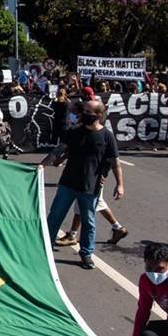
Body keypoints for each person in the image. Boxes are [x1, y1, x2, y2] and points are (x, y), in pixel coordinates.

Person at [43, 99, 125, 269]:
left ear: (99, 115)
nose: (85, 115)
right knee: (55, 216)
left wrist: (120, 185)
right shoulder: (75, 132)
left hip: (90, 186)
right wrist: (43, 163)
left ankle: (86, 254)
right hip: (68, 183)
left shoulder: (107, 136)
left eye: (89, 112)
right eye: (84, 111)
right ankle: (45, 247)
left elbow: (115, 162)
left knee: (89, 222)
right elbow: (60, 149)